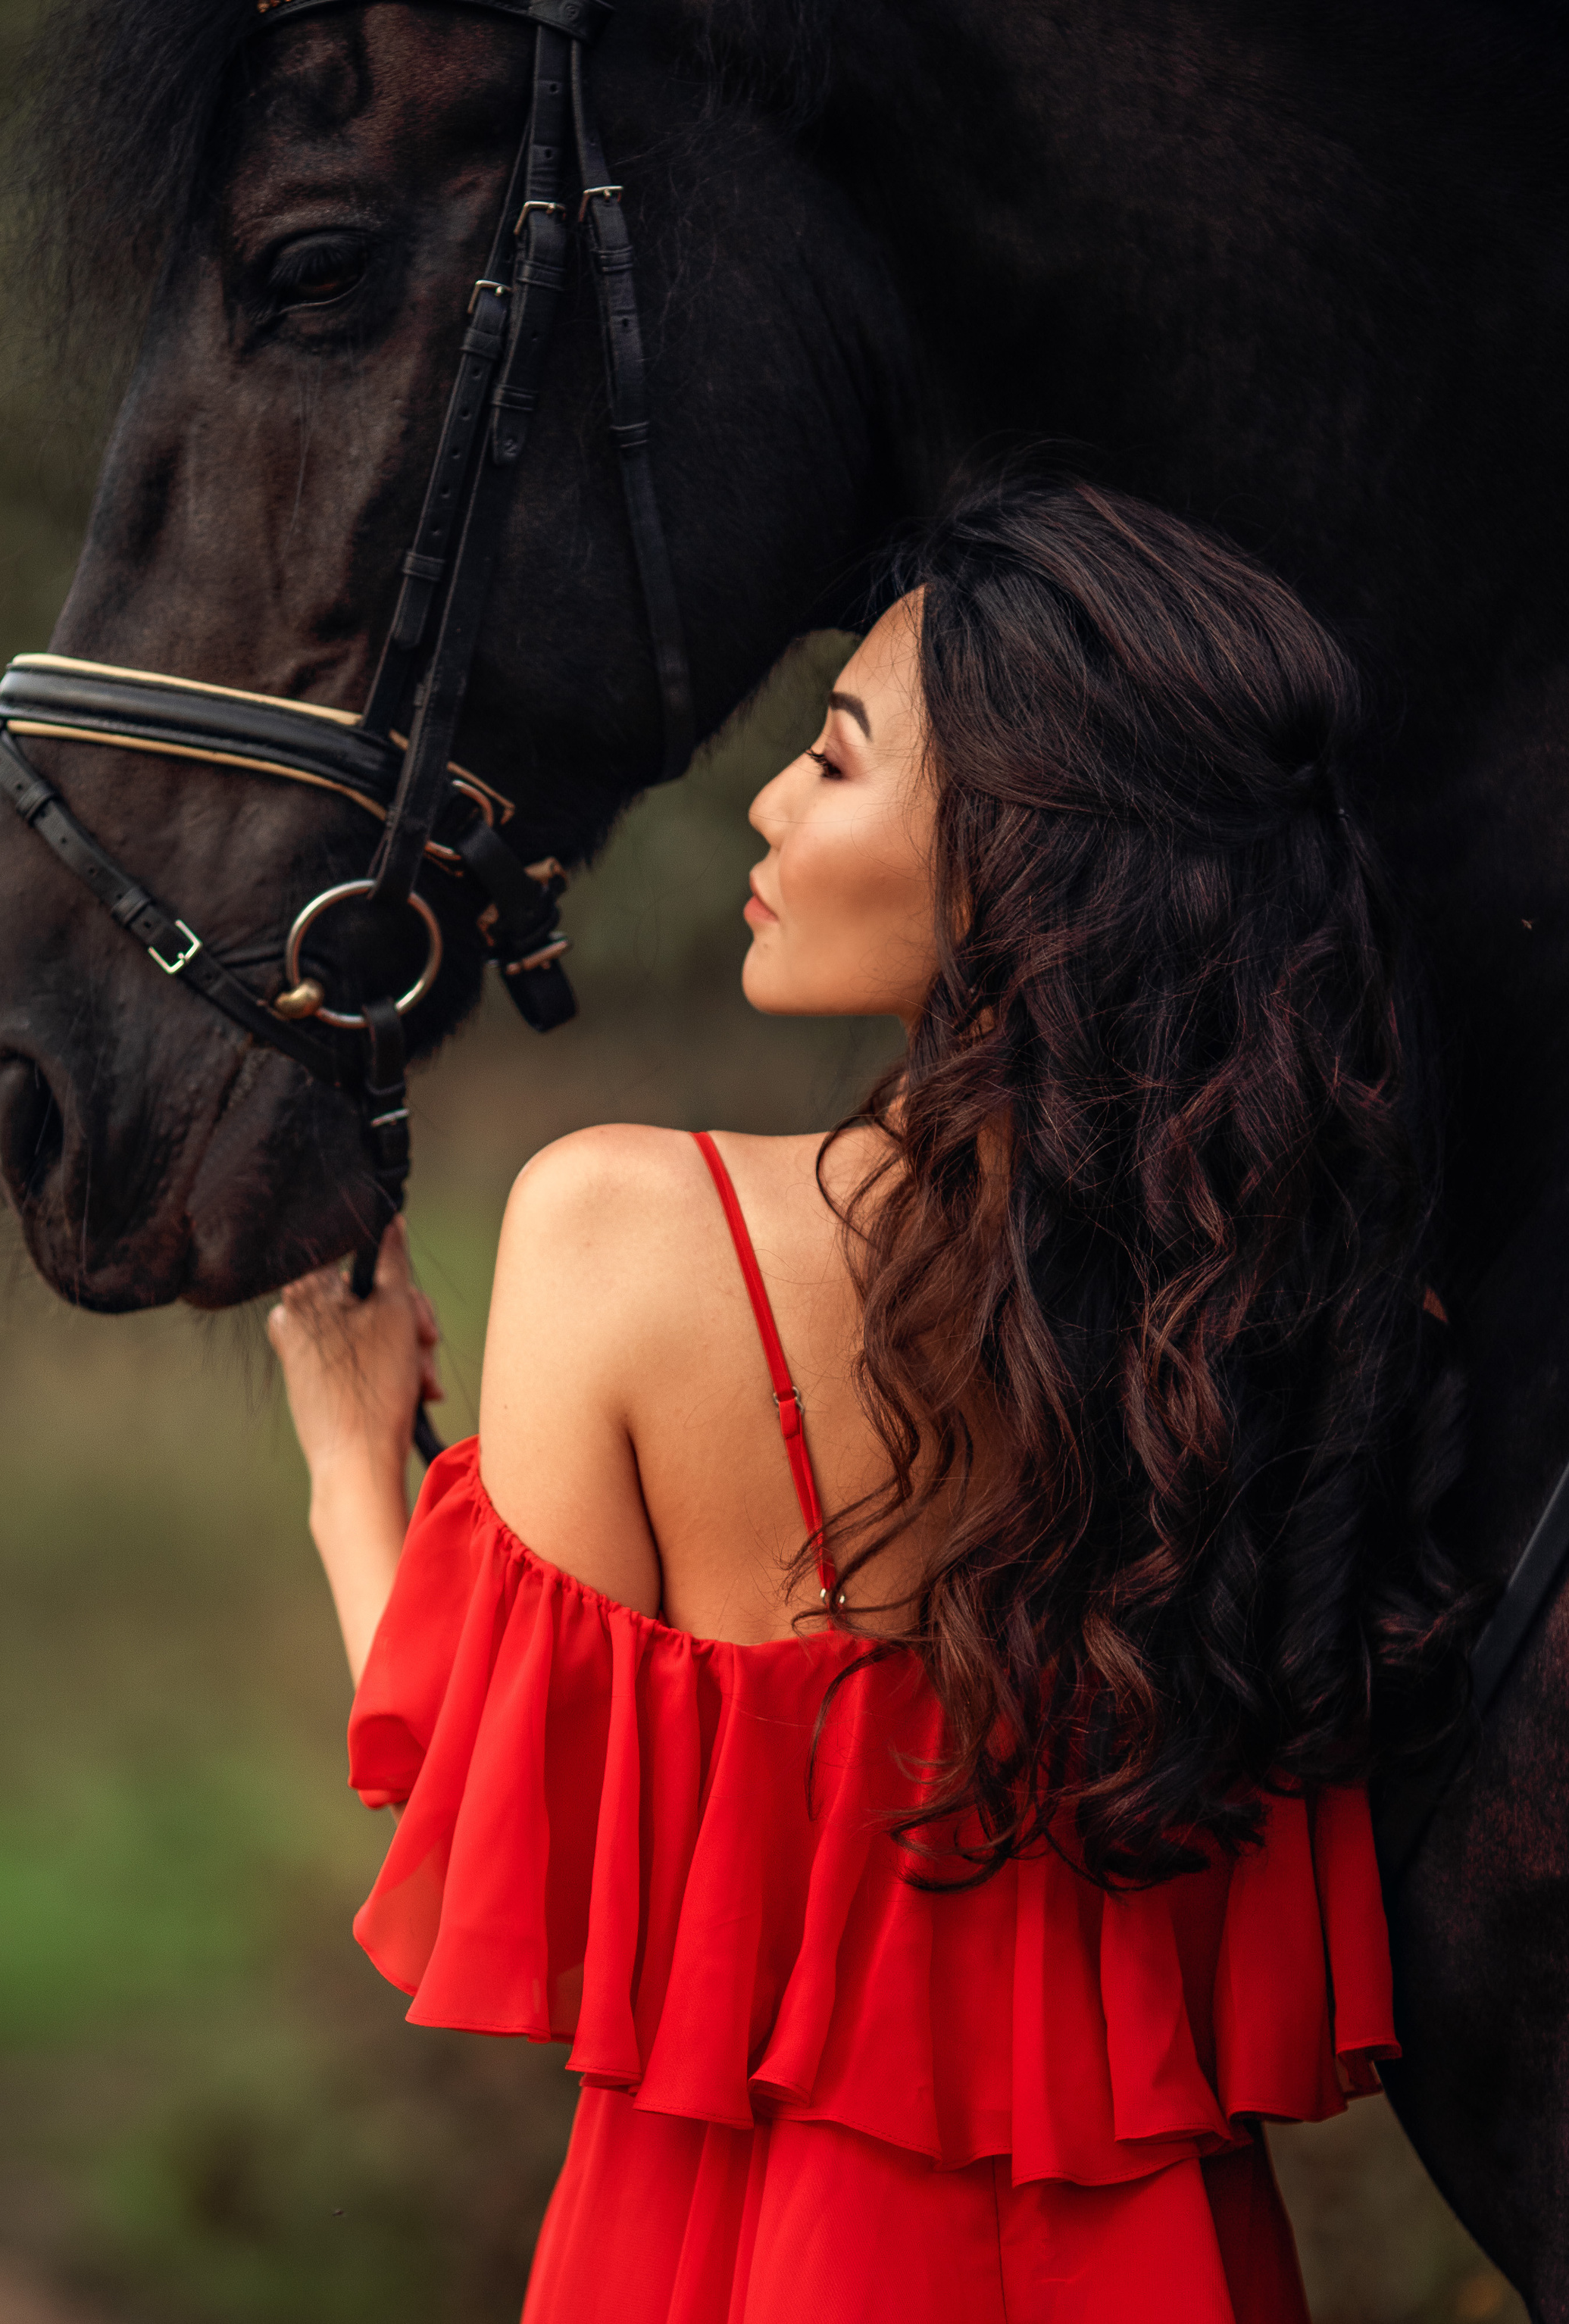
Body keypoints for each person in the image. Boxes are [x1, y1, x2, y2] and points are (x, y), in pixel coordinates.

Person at [267, 475, 1464, 2324]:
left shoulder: (618, 1225)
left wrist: (354, 1447)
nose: (761, 802)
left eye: (830, 761)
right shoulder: (1276, 1325)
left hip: (731, 2258)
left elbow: (539, 1861)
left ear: (1010, 858)